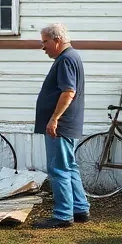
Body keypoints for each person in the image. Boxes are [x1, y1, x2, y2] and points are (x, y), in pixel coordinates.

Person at [33, 22, 90, 228]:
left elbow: (68, 92)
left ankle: (63, 214)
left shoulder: (66, 59)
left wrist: (54, 118)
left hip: (61, 126)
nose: (43, 47)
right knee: (69, 167)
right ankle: (80, 208)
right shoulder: (70, 57)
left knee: (58, 169)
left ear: (57, 40)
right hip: (68, 124)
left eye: (45, 42)